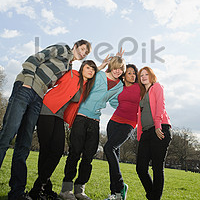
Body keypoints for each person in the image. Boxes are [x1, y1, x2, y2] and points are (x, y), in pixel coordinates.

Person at [0, 39, 91, 200]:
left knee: (24, 144)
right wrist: (28, 82)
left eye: (86, 53)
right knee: (7, 135)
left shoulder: (68, 68)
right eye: (82, 49)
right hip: (26, 88)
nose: (82, 53)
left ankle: (17, 193)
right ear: (75, 46)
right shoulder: (62, 49)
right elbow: (34, 58)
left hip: (39, 97)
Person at [59, 56, 126, 200]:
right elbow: (83, 80)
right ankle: (66, 189)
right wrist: (100, 66)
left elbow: (116, 102)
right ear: (111, 66)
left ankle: (79, 190)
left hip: (95, 120)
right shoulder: (99, 75)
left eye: (121, 69)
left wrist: (129, 107)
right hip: (81, 116)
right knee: (75, 152)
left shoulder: (119, 85)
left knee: (89, 155)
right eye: (115, 67)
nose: (118, 71)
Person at [29, 60, 97, 200]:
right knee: (46, 151)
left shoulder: (86, 86)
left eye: (93, 69)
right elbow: (55, 81)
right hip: (46, 110)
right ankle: (39, 189)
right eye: (88, 67)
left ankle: (42, 188)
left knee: (57, 151)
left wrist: (100, 68)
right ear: (82, 67)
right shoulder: (72, 74)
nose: (90, 70)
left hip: (59, 115)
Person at [104, 64, 140, 200]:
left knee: (109, 148)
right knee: (113, 156)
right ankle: (115, 194)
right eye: (129, 73)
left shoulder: (139, 87)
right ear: (124, 76)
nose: (132, 75)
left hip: (128, 123)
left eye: (134, 73)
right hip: (113, 122)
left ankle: (120, 185)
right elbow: (107, 77)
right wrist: (115, 63)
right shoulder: (119, 86)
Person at [136, 67, 172, 200]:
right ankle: (152, 196)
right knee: (140, 168)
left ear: (152, 76)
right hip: (146, 133)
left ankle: (154, 197)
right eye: (141, 75)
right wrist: (140, 135)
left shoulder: (157, 87)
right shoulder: (142, 93)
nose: (144, 77)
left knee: (157, 167)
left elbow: (160, 105)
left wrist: (158, 125)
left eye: (146, 74)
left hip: (160, 129)